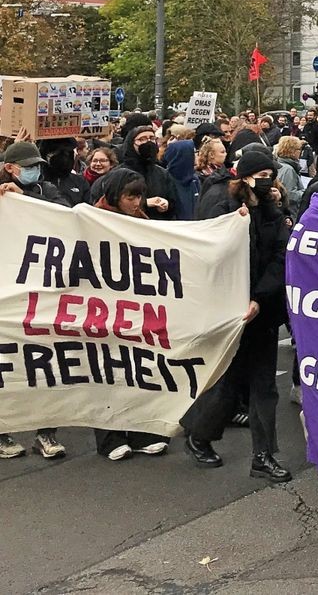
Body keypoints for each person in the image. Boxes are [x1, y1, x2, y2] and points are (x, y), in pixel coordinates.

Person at [182, 150, 292, 483]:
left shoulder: (273, 213)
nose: (267, 181)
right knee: (229, 384)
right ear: (243, 177)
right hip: (230, 313)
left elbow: (279, 257)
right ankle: (198, 433)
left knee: (263, 387)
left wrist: (259, 299)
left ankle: (263, 456)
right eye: (260, 174)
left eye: (270, 175)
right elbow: (211, 256)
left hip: (261, 312)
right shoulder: (225, 208)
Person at [89, 169, 174, 460]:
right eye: (130, 196)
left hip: (135, 309)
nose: (137, 202)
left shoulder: (142, 220)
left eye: (140, 195)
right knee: (107, 371)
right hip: (102, 309)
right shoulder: (90, 218)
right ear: (114, 196)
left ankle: (140, 430)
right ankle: (109, 437)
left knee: (137, 369)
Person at [0, 142, 68, 460]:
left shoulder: (46, 189)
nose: (34, 170)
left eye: (36, 165)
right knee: (8, 364)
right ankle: (2, 433)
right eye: (27, 166)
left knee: (47, 364)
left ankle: (46, 433)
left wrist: (25, 199)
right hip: (6, 293)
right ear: (9, 167)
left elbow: (64, 217)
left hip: (41, 291)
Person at [107, 126, 179, 220]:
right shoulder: (119, 174)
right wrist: (145, 203)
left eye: (152, 138)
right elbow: (111, 204)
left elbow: (173, 202)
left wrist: (166, 205)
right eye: (142, 139)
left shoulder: (162, 173)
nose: (148, 142)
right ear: (131, 144)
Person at [39, 138, 90, 206]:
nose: (64, 156)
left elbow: (87, 210)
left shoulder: (80, 181)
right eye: (56, 152)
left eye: (68, 152)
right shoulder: (37, 180)